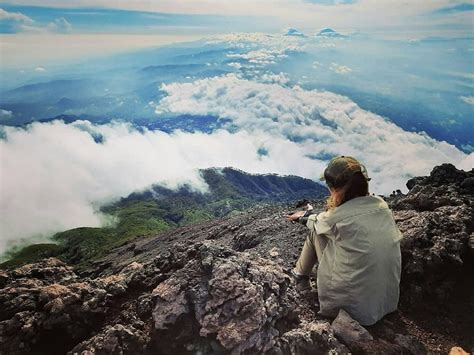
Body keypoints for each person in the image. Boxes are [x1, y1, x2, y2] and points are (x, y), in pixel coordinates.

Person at [287, 156, 402, 326]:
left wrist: (301, 216)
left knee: (315, 233)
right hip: (387, 302)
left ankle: (298, 278)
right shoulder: (382, 205)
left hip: (349, 309)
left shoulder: (335, 218)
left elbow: (317, 222)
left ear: (333, 188)